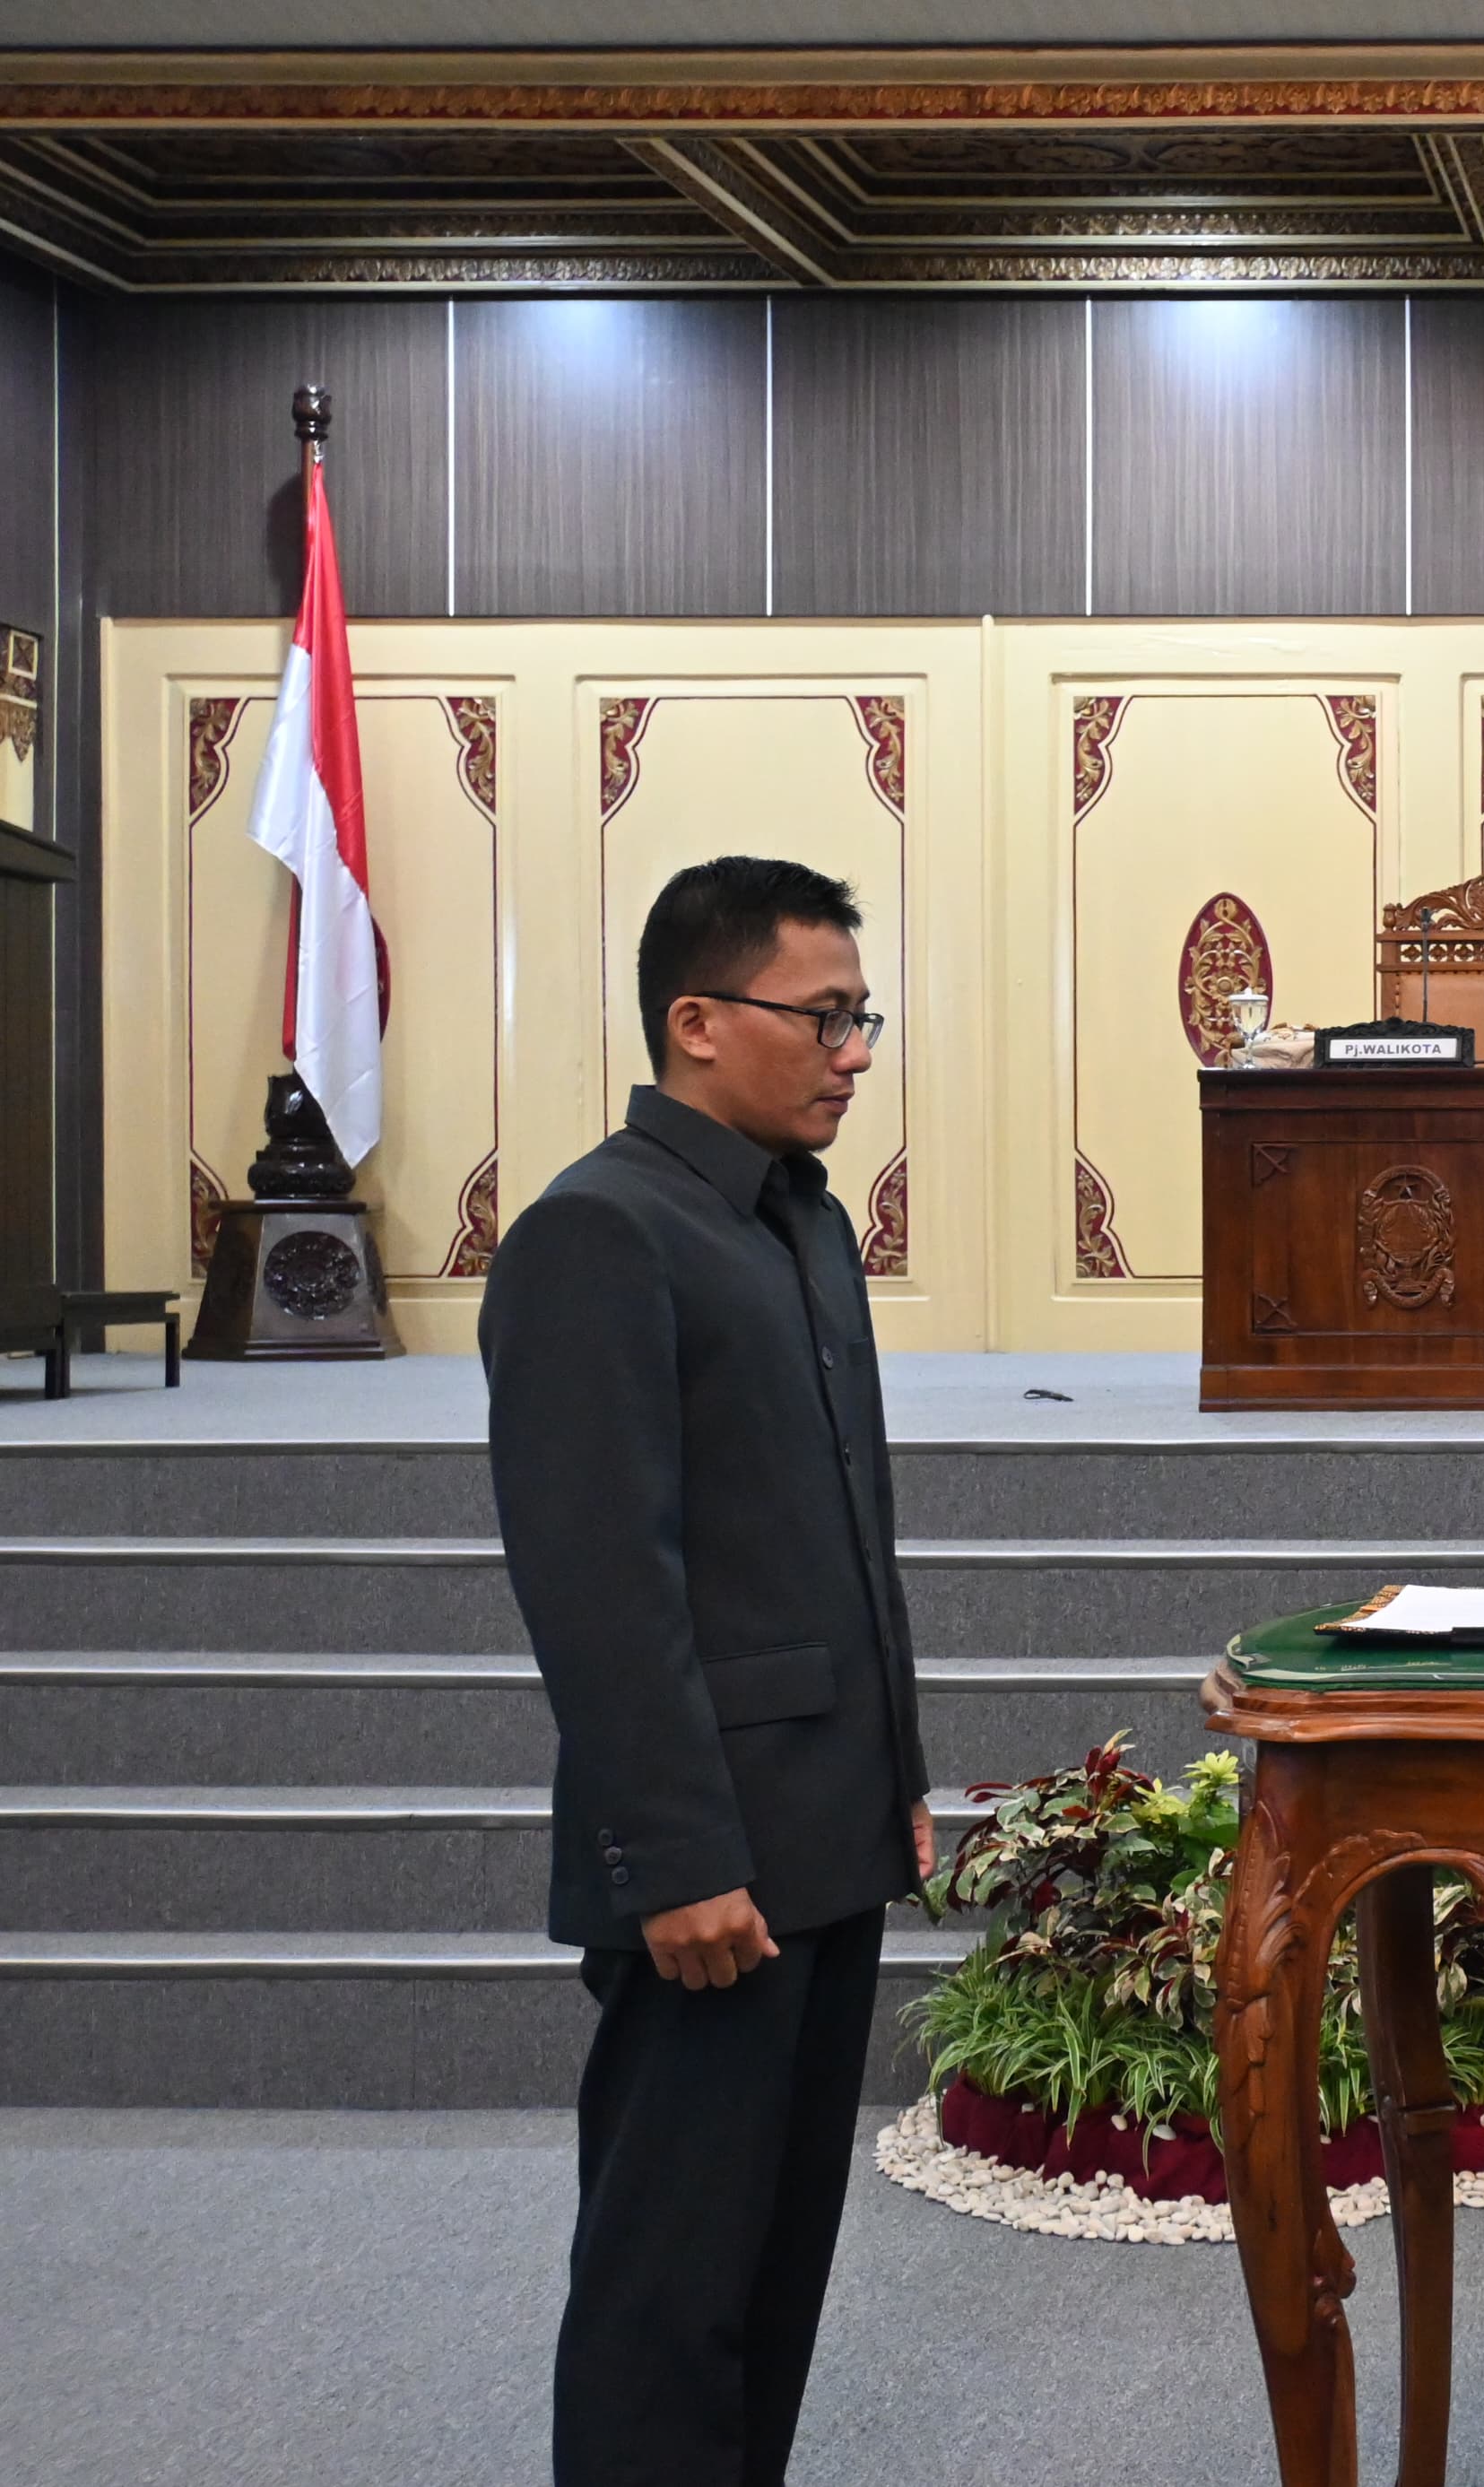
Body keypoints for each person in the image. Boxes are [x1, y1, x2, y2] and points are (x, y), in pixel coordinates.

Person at [483, 856, 934, 2486]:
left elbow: (837, 1534)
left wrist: (894, 1780)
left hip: (818, 1833)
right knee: (667, 2296)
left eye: (859, 1015)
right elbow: (603, 1586)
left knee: (769, 2281)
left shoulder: (801, 1225)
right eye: (824, 1015)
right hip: (711, 1866)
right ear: (696, 1020)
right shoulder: (599, 1234)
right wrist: (676, 1858)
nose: (854, 1050)